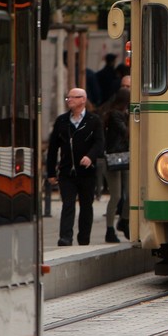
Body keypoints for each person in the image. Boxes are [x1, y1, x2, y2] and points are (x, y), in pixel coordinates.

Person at [46, 88, 105, 246]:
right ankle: (65, 237)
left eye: (72, 98)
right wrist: (51, 172)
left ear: (82, 100)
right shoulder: (62, 121)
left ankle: (84, 237)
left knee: (86, 205)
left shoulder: (93, 120)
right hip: (67, 171)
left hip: (87, 172)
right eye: (68, 98)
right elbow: (53, 148)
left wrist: (90, 157)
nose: (69, 100)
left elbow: (99, 143)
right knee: (68, 204)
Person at [102, 87, 131, 242]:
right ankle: (109, 229)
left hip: (125, 156)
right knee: (116, 195)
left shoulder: (123, 114)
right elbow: (126, 133)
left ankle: (124, 220)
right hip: (115, 156)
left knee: (131, 193)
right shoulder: (115, 115)